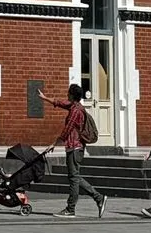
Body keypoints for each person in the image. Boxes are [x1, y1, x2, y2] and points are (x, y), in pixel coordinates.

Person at [38, 82, 105, 218]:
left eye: (68, 92)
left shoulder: (76, 111)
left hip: (75, 148)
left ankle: (71, 209)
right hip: (73, 147)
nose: (66, 94)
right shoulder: (75, 106)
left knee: (74, 178)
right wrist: (45, 98)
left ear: (72, 95)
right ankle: (98, 198)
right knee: (74, 177)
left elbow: (67, 129)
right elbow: (60, 103)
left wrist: (54, 144)